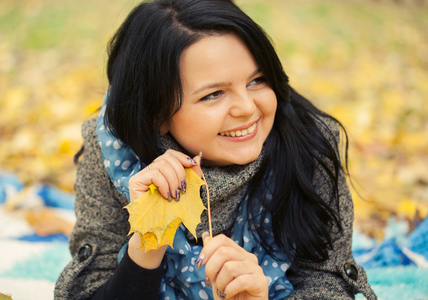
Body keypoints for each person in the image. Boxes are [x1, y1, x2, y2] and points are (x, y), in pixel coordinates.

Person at [55, 0, 377, 299]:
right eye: (214, 94)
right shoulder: (115, 157)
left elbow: (329, 284)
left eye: (257, 80)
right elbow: (87, 289)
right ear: (158, 115)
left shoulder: (308, 146)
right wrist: (147, 243)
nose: (248, 108)